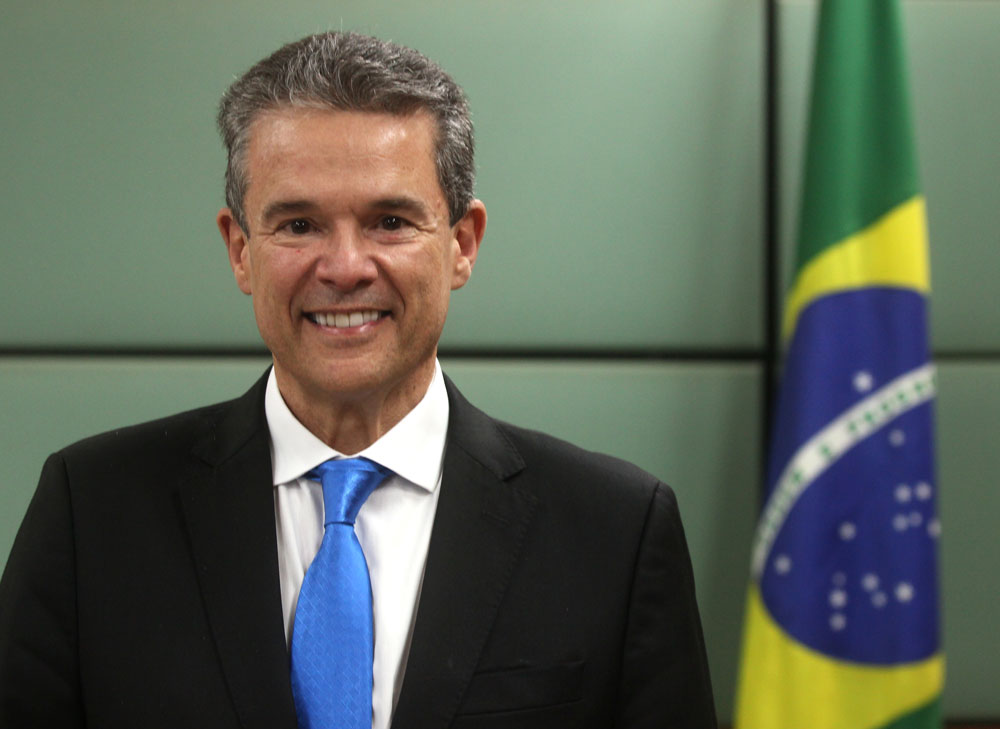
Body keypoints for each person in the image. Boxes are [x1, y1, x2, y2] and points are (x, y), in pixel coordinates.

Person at [0, 32, 716, 728]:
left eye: (390, 221)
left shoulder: (616, 531)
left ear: (462, 244)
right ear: (240, 249)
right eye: (299, 225)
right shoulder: (91, 513)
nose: (344, 268)